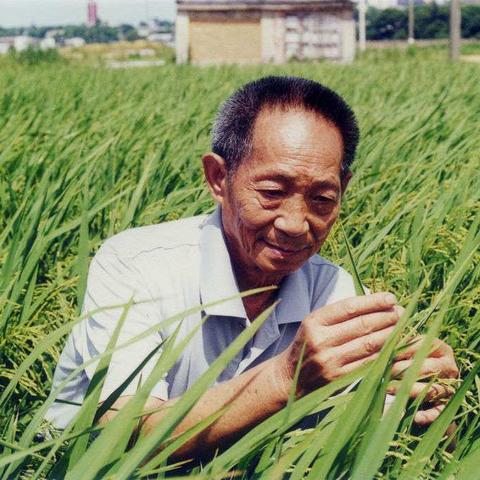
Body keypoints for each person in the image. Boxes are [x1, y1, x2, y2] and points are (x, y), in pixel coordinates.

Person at [46, 76, 458, 461]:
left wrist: (429, 404)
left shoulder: (332, 288)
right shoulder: (134, 265)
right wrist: (286, 378)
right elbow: (121, 434)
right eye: (272, 193)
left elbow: (369, 429)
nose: (296, 224)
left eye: (322, 199)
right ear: (218, 177)